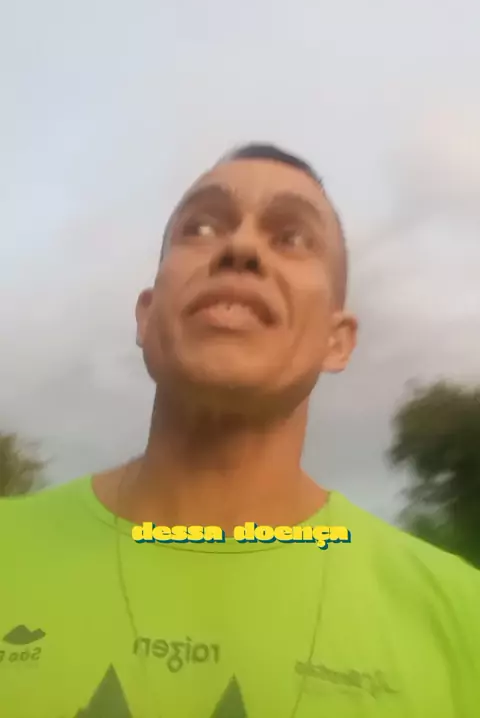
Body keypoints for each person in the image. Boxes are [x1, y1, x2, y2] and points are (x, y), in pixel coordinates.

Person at [1, 143, 478, 718]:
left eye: (292, 237)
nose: (242, 248)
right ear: (147, 316)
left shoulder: (460, 620)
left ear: (337, 340)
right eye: (201, 228)